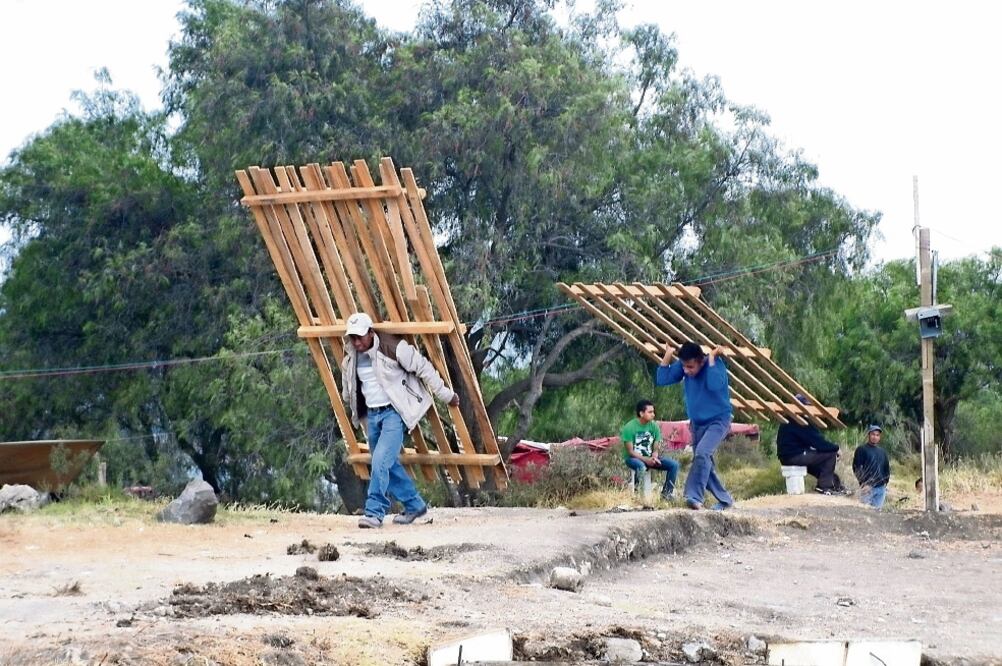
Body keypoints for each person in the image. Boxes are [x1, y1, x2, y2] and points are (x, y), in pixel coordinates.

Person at [341, 312, 460, 529]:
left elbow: (423, 367)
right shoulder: (351, 357)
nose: (356, 342)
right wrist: (352, 408)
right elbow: (349, 387)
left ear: (370, 332)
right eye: (352, 338)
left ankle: (374, 513)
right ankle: (415, 505)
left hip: (394, 414)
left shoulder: (392, 348)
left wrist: (446, 395)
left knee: (379, 462)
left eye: (360, 337)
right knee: (388, 464)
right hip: (372, 415)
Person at [656, 341, 735, 511]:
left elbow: (714, 385)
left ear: (701, 360)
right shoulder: (685, 365)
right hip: (697, 423)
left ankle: (693, 496)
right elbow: (662, 379)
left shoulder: (715, 366)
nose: (686, 371)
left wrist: (713, 358)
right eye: (684, 366)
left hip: (718, 420)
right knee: (704, 461)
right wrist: (668, 356)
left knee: (702, 454)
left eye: (690, 367)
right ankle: (725, 499)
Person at [776, 395, 849, 495]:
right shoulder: (800, 422)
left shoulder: (790, 419)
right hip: (794, 455)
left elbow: (814, 441)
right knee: (830, 453)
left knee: (820, 461)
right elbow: (818, 442)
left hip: (789, 456)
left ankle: (835, 484)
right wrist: (836, 448)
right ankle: (824, 486)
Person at [621, 399, 681, 500]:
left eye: (653, 412)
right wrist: (646, 460)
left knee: (674, 465)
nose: (653, 414)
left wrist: (654, 457)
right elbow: (630, 452)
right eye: (650, 412)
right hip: (632, 458)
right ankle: (638, 496)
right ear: (641, 413)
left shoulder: (654, 426)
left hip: (649, 457)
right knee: (641, 466)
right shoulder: (629, 427)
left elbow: (655, 448)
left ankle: (666, 494)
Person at [852, 425, 890, 509]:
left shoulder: (882, 452)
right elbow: (856, 467)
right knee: (865, 513)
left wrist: (885, 482)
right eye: (873, 434)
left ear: (879, 437)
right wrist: (863, 483)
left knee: (877, 515)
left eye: (877, 435)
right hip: (867, 488)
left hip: (880, 488)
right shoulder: (861, 449)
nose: (875, 437)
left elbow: (886, 468)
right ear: (868, 435)